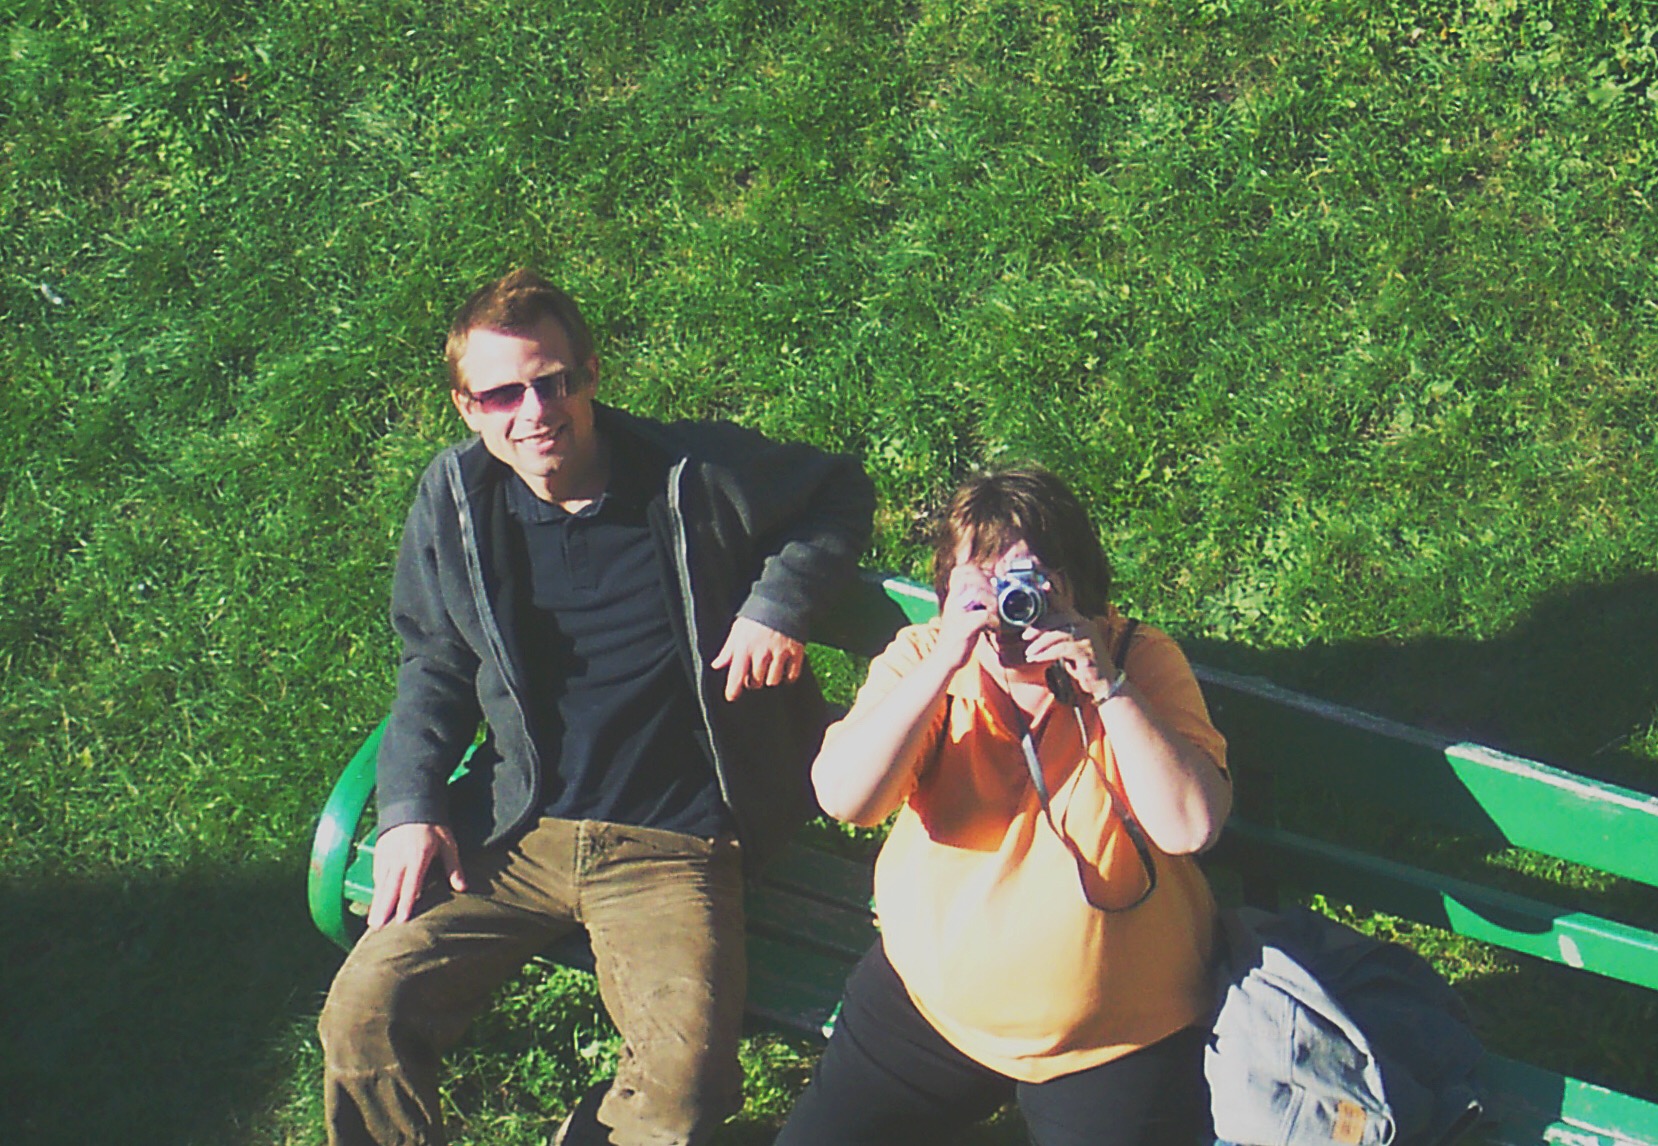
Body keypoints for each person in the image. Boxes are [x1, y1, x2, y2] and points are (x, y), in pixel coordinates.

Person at [318, 269, 875, 1146]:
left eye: (552, 382)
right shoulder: (456, 498)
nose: (534, 412)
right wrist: (412, 807)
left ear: (589, 375)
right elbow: (433, 663)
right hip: (514, 826)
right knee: (363, 1016)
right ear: (467, 408)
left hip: (671, 841)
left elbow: (838, 491)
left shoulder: (690, 472)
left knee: (684, 1086)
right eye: (503, 395)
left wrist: (777, 605)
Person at [775, 466, 1232, 1146]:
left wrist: (1107, 688)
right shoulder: (925, 657)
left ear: (1075, 583)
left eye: (1028, 581)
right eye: (983, 581)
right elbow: (847, 799)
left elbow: (1190, 826)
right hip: (927, 1005)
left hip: (1111, 1036)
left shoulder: (1137, 658)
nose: (1009, 607)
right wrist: (946, 661)